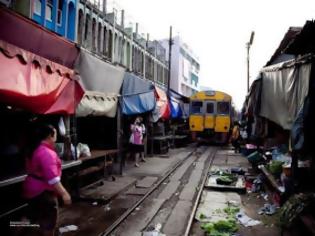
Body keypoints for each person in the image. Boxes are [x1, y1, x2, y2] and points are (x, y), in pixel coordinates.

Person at [23, 124, 71, 236]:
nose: (56, 137)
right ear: (50, 135)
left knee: (30, 218)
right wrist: (64, 193)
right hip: (43, 192)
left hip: (32, 190)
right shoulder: (46, 152)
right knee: (48, 224)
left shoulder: (35, 149)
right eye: (55, 134)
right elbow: (52, 178)